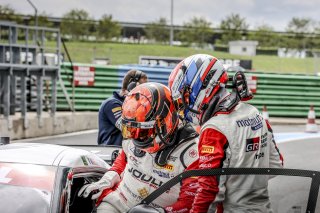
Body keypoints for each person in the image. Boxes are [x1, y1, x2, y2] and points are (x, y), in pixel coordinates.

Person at [168, 54, 284, 213]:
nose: (185, 104)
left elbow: (208, 190)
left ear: (202, 86)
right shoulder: (254, 112)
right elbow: (277, 164)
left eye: (186, 97)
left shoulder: (213, 128)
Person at [79, 82, 200, 213]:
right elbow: (122, 162)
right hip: (117, 203)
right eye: (131, 130)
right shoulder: (133, 139)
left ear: (165, 122)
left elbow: (190, 202)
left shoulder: (191, 152)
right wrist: (108, 178)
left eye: (143, 132)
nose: (136, 137)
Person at [97, 69, 148, 145]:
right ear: (132, 87)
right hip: (109, 150)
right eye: (141, 89)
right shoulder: (112, 104)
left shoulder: (131, 105)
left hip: (125, 150)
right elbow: (127, 130)